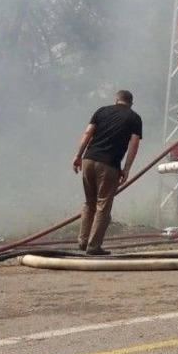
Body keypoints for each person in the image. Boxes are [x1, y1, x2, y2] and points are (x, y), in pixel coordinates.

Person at [71, 89, 142, 255]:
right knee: (103, 205)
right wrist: (126, 169)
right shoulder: (134, 118)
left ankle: (82, 241)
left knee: (89, 203)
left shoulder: (101, 111)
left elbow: (88, 133)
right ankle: (93, 246)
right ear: (131, 103)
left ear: (116, 100)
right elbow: (134, 145)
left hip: (88, 160)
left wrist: (78, 156)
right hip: (108, 165)